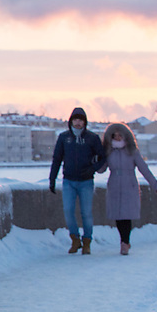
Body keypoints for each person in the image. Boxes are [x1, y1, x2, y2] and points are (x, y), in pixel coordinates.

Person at [97, 123, 157, 255]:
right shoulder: (108, 152)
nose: (118, 138)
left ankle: (125, 243)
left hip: (129, 185)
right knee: (118, 216)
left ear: (126, 136)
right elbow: (101, 169)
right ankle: (123, 241)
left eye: (120, 135)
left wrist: (155, 184)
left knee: (126, 216)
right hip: (114, 185)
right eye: (115, 136)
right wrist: (95, 160)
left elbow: (143, 168)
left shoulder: (132, 151)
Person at [49, 107, 106, 254]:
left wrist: (92, 169)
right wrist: (52, 179)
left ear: (85, 122)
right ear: (71, 121)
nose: (78, 123)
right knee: (68, 211)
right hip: (68, 181)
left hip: (86, 181)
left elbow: (102, 157)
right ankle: (75, 240)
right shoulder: (64, 138)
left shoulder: (92, 138)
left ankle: (87, 242)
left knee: (86, 213)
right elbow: (57, 159)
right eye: (75, 119)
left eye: (81, 120)